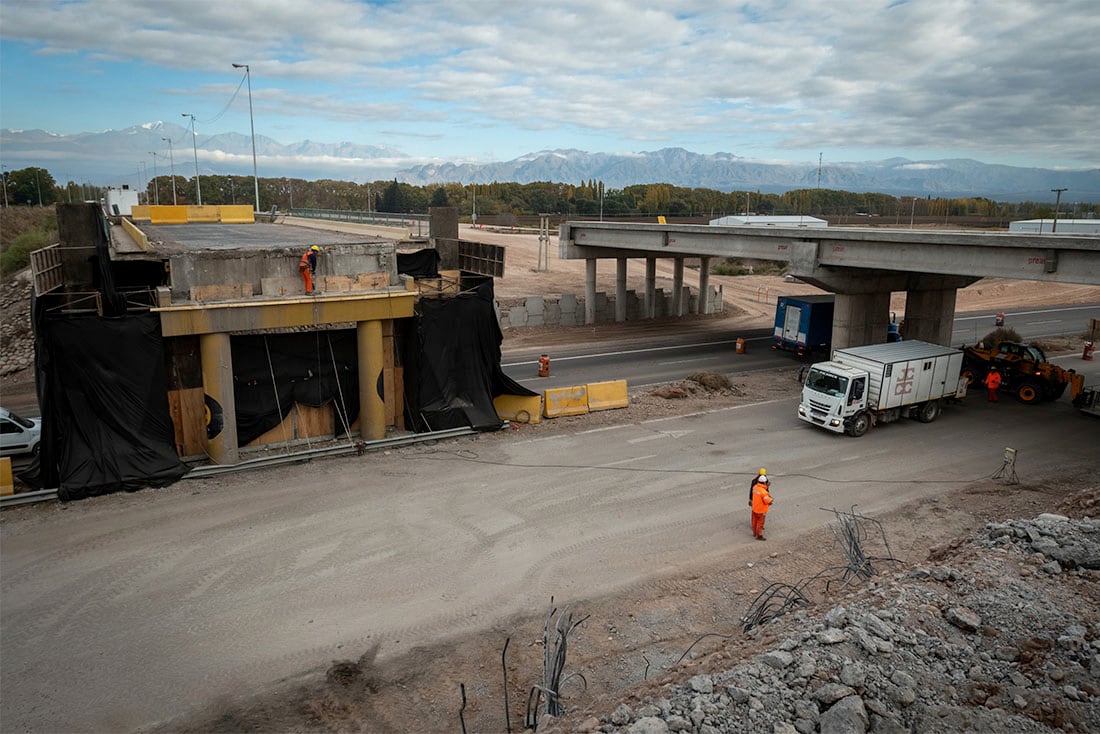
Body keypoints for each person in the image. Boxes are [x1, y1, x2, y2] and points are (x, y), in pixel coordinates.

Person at [750, 471, 773, 541]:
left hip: (754, 508)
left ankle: (754, 533)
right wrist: (771, 500)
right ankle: (759, 535)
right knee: (760, 523)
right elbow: (767, 501)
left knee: (754, 522)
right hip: (761, 510)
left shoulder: (755, 487)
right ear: (764, 482)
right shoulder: (764, 492)